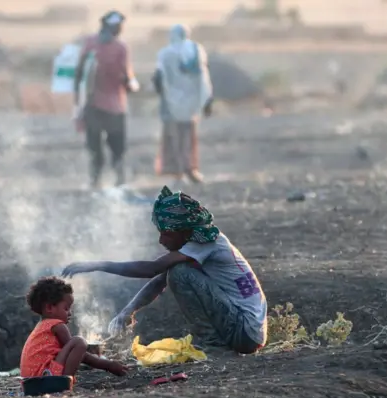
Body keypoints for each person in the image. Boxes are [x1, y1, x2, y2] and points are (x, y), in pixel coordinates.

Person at [62, 186, 267, 354]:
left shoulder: (205, 243)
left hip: (244, 330)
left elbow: (152, 269)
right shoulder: (198, 243)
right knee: (176, 272)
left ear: (185, 230)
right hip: (247, 330)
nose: (161, 241)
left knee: (180, 274)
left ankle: (214, 346)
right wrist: (127, 312)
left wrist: (99, 265)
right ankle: (214, 344)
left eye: (166, 234)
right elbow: (160, 279)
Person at [74, 11, 138, 188]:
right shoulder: (121, 48)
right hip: (115, 106)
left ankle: (95, 181)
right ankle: (119, 180)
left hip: (92, 105)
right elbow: (126, 76)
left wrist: (77, 104)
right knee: (117, 148)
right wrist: (132, 85)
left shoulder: (90, 44)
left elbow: (80, 74)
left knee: (95, 147)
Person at [20, 277, 128, 379]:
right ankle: (64, 381)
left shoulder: (41, 327)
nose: (70, 313)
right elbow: (82, 355)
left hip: (31, 381)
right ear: (49, 308)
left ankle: (61, 380)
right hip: (45, 377)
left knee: (75, 343)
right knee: (79, 342)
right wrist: (109, 365)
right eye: (66, 308)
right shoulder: (57, 325)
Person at [152, 24, 213, 187]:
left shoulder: (165, 53)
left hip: (171, 101)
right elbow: (204, 77)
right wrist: (206, 100)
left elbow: (158, 77)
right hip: (192, 102)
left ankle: (176, 170)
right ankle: (190, 168)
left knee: (172, 135)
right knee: (188, 135)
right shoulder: (196, 50)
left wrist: (162, 94)